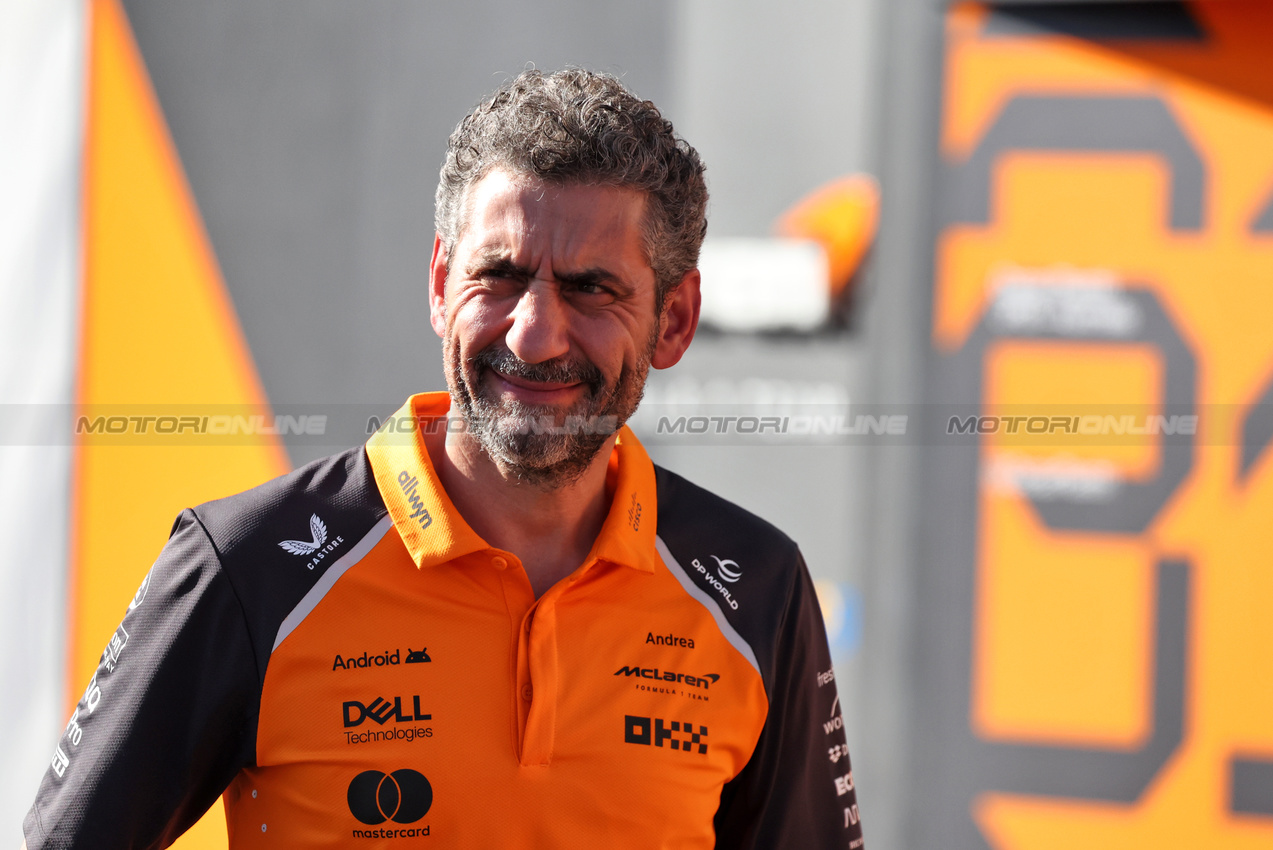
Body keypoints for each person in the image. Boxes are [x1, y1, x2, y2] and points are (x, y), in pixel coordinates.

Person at [22, 68, 864, 849]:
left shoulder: (755, 588)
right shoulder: (249, 568)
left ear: (674, 320)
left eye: (591, 289)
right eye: (498, 277)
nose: (533, 334)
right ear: (438, 284)